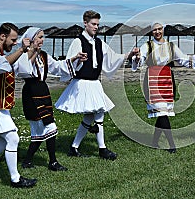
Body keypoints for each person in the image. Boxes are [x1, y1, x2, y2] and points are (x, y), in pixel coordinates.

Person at [55, 10, 137, 160]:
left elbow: (112, 58)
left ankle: (74, 147)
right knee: (99, 113)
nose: (96, 27)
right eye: (93, 24)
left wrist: (128, 55)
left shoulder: (99, 43)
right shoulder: (78, 42)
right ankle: (102, 149)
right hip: (82, 84)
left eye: (97, 24)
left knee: (89, 117)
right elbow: (69, 63)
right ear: (85, 23)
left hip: (94, 84)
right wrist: (78, 60)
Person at [14, 27, 87, 171]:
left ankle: (28, 161)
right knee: (49, 126)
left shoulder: (44, 56)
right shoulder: (23, 55)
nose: (42, 40)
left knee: (40, 130)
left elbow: (58, 67)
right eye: (39, 37)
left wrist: (74, 58)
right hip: (31, 93)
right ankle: (52, 161)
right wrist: (32, 50)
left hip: (43, 92)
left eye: (42, 37)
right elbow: (23, 70)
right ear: (31, 39)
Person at [0, 23, 37, 189]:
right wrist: (20, 50)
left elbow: (16, 68)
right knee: (12, 138)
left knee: (0, 143)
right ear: (2, 37)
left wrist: (31, 50)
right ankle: (15, 179)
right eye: (12, 39)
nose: (14, 42)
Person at [132, 22, 195, 153]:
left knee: (162, 112)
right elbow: (140, 59)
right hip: (152, 80)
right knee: (162, 113)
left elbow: (183, 59)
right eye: (155, 30)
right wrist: (138, 56)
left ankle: (154, 142)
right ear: (152, 32)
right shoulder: (147, 45)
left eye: (159, 29)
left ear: (163, 30)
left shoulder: (171, 46)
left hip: (167, 80)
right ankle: (172, 145)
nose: (157, 32)